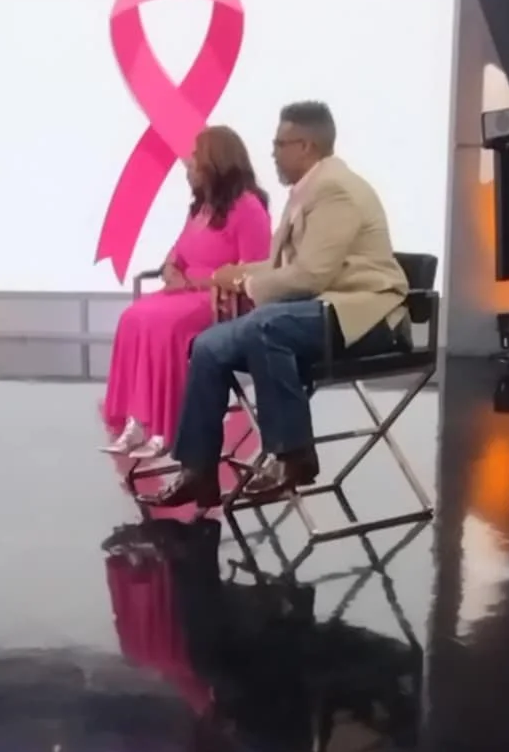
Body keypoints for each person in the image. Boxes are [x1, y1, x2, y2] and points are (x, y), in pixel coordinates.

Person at [152, 101, 410, 508]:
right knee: (209, 345)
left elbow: (310, 276)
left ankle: (292, 455)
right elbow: (281, 265)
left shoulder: (334, 189)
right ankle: (198, 470)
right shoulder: (306, 190)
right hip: (320, 308)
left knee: (265, 324)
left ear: (305, 145)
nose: (272, 152)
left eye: (279, 143)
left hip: (363, 314)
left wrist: (247, 283)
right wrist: (230, 273)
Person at [103, 125, 271, 457]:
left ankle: (167, 429)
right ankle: (138, 421)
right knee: (133, 317)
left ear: (217, 162)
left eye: (196, 157)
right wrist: (169, 267)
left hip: (224, 301)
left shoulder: (249, 208)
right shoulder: (201, 208)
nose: (188, 165)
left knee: (163, 323)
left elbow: (253, 271)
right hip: (185, 293)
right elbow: (177, 253)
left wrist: (193, 282)